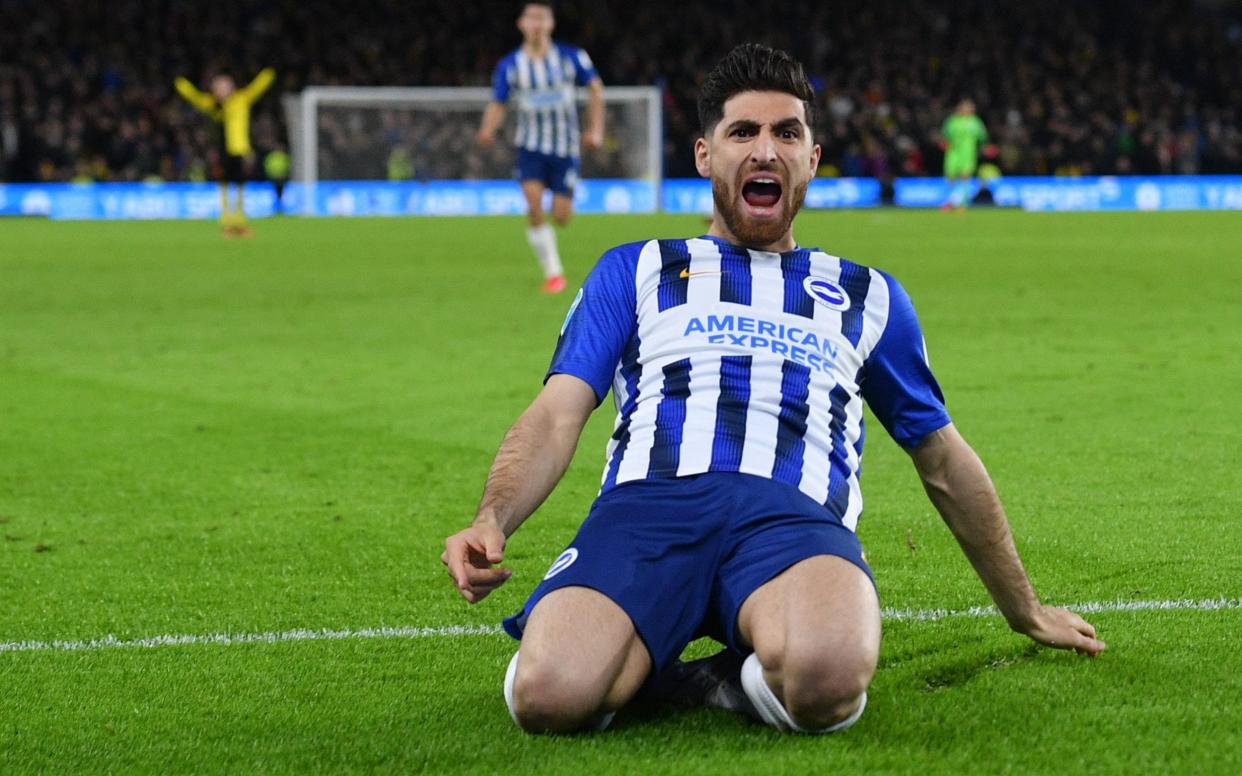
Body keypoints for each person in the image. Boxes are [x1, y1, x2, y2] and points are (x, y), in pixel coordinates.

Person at [442, 43, 1105, 736]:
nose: (766, 150)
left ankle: (717, 682)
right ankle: (626, 657)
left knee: (828, 679)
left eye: (787, 133)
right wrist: (494, 518)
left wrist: (1023, 608)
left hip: (790, 522)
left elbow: (942, 459)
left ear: (812, 159)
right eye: (743, 132)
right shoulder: (637, 269)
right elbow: (557, 414)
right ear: (705, 156)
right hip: (647, 513)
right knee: (549, 696)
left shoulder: (865, 295)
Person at [476, 2, 605, 293]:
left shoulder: (571, 57)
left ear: (550, 24)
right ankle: (554, 275)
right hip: (530, 146)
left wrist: (595, 129)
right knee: (533, 205)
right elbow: (499, 102)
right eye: (530, 18)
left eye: (541, 18)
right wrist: (487, 129)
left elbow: (596, 89)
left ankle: (555, 258)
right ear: (521, 24)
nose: (536, 24)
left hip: (565, 147)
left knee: (561, 217)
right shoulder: (510, 65)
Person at [174, 67, 275, 236]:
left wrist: (269, 72)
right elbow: (193, 96)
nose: (222, 89)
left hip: (240, 150)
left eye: (225, 86)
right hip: (222, 151)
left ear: (232, 87)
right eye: (219, 87)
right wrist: (180, 82)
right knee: (225, 186)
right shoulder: (211, 104)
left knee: (241, 187)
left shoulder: (241, 99)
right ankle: (227, 223)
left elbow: (258, 87)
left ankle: (241, 222)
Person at [940, 98, 993, 211]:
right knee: (950, 178)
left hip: (968, 154)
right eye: (966, 107)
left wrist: (985, 147)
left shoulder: (975, 122)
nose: (968, 109)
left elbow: (983, 136)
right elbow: (944, 135)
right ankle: (948, 201)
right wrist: (944, 143)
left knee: (965, 177)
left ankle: (962, 203)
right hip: (953, 153)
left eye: (970, 107)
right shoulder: (952, 121)